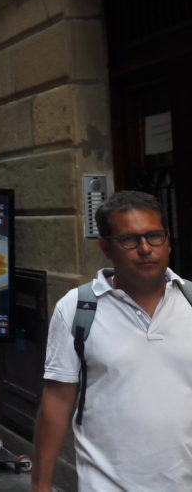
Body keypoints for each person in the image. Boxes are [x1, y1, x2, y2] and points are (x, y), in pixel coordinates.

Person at [30, 190, 192, 492]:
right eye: (129, 240)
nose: (145, 248)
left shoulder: (190, 302)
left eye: (154, 236)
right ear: (105, 247)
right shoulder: (77, 307)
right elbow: (57, 398)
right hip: (106, 483)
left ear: (168, 239)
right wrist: (40, 484)